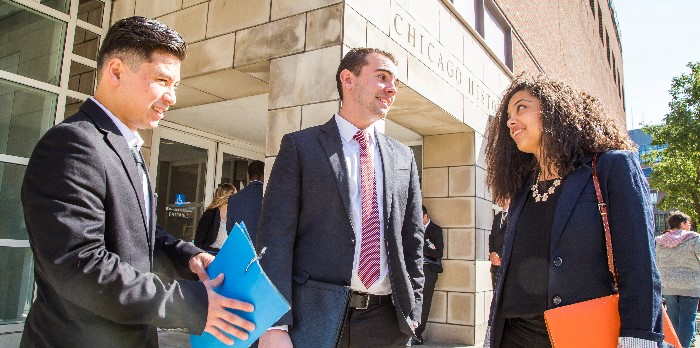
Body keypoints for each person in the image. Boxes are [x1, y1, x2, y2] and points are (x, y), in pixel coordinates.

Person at [20, 16, 254, 347]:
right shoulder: (71, 145)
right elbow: (80, 265)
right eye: (162, 80)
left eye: (176, 85)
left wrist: (186, 256)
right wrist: (192, 304)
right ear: (116, 71)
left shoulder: (125, 148)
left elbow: (137, 236)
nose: (171, 97)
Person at [256, 47, 424, 348]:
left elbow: (412, 239)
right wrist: (275, 321)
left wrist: (414, 309)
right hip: (314, 318)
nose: (392, 89)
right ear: (348, 78)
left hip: (386, 323)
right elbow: (275, 236)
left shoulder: (403, 157)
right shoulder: (300, 147)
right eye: (382, 77)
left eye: (395, 82)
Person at [483, 75, 664, 347]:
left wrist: (639, 339)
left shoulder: (610, 167)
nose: (510, 121)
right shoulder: (523, 187)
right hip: (512, 336)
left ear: (555, 111)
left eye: (521, 107)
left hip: (581, 334)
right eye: (507, 114)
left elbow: (639, 264)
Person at [656, 211, 700, 348]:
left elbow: (656, 261)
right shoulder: (694, 239)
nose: (690, 226)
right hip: (690, 284)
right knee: (688, 318)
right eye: (688, 223)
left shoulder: (660, 241)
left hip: (668, 284)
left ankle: (674, 345)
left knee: (673, 319)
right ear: (682, 223)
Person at [413, 206, 444, 345]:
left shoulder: (436, 230)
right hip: (413, 270)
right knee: (412, 302)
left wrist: (422, 248)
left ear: (425, 216)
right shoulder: (412, 229)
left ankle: (418, 334)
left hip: (428, 270)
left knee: (424, 303)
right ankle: (409, 331)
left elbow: (438, 253)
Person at [226, 160, 265, 244]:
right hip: (264, 249)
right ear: (263, 174)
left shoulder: (234, 198)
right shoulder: (270, 196)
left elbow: (230, 229)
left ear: (249, 176)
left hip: (242, 248)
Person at [195, 183, 237, 253]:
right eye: (235, 195)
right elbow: (199, 239)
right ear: (228, 196)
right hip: (211, 253)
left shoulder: (235, 214)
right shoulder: (211, 213)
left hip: (229, 254)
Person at [488, 201, 508, 290]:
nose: (498, 199)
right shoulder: (497, 217)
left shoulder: (515, 215)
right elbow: (492, 237)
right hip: (495, 265)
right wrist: (492, 253)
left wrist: (499, 254)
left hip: (507, 263)